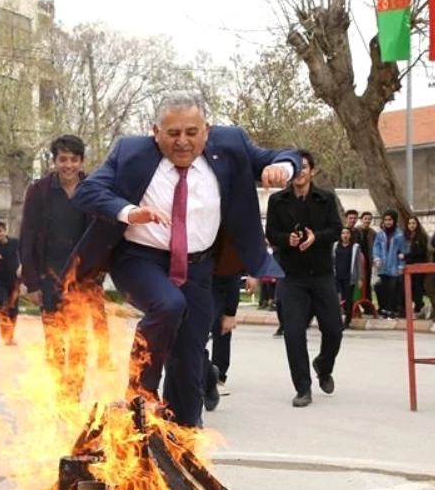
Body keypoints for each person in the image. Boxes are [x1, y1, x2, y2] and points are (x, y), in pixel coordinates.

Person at [70, 90, 298, 425]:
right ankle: (139, 394)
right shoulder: (130, 151)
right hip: (139, 259)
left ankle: (184, 434)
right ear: (155, 132)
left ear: (206, 130)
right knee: (168, 305)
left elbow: (281, 156)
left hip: (198, 266)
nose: (183, 142)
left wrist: (282, 168)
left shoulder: (231, 143)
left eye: (192, 133)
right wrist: (130, 212)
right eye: (173, 133)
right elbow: (88, 191)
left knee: (190, 354)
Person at [20, 134, 112, 398]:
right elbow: (28, 236)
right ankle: (59, 390)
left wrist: (100, 274)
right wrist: (32, 282)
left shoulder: (93, 189)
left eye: (73, 159)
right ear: (54, 161)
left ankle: (73, 393)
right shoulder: (39, 191)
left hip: (83, 281)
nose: (68, 165)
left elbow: (103, 234)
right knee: (55, 341)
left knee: (79, 341)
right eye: (63, 159)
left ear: (81, 161)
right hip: (50, 279)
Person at [266, 150, 343, 407]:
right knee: (294, 332)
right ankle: (302, 387)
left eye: (305, 167)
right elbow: (271, 233)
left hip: (321, 275)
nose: (301, 172)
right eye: (296, 168)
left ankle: (323, 364)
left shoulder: (326, 199)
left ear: (313, 171)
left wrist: (315, 238)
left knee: (334, 329)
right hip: (292, 277)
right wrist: (286, 240)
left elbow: (336, 229)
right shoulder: (278, 201)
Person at [206, 273, 242, 408]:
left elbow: (233, 276)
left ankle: (218, 377)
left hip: (217, 289)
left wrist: (230, 313)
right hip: (186, 286)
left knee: (221, 332)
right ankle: (208, 374)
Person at [0, 221, 21, 346]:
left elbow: (24, 254)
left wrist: (22, 266)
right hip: (0, 281)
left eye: (0, 231)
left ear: (5, 231)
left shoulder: (15, 243)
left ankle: (10, 336)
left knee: (13, 309)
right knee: (3, 307)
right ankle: (4, 335)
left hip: (14, 281)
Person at [372, 209, 407, 319]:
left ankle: (392, 310)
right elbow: (376, 248)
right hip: (383, 267)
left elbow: (403, 251)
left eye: (390, 220)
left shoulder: (399, 235)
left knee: (393, 288)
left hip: (395, 267)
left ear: (394, 221)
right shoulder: (380, 234)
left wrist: (401, 265)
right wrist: (377, 259)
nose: (388, 222)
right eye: (386, 220)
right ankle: (385, 309)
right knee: (382, 287)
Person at [332, 226, 361, 327]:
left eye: (347, 233)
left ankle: (347, 320)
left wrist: (359, 278)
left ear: (351, 235)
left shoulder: (355, 247)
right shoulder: (335, 246)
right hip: (337, 276)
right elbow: (332, 261)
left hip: (349, 277)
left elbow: (358, 263)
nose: (345, 235)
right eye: (343, 233)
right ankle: (336, 319)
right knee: (336, 298)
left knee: (348, 299)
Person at [403, 216, 430, 317]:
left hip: (418, 265)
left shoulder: (421, 236)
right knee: (409, 288)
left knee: (418, 287)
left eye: (413, 223)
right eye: (410, 223)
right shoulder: (405, 237)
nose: (411, 226)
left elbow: (421, 252)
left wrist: (406, 255)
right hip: (408, 266)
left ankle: (419, 308)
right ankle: (420, 306)